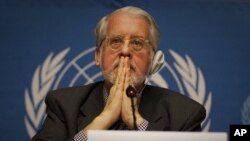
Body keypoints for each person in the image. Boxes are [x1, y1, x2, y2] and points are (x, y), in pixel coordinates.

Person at [32, 6, 206, 141]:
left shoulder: (185, 113)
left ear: (154, 60)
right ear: (98, 55)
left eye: (137, 43)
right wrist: (101, 122)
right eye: (115, 41)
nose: (125, 51)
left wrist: (138, 123)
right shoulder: (63, 105)